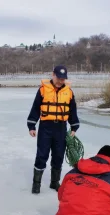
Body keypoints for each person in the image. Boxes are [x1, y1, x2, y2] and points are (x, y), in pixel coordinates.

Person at [27, 65, 80, 194]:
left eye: (63, 79)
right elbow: (35, 108)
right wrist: (32, 126)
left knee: (58, 156)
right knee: (42, 155)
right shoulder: (43, 90)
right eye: (59, 78)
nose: (60, 81)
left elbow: (73, 111)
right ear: (53, 75)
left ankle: (54, 182)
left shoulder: (69, 92)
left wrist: (74, 126)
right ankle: (36, 184)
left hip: (61, 128)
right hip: (46, 127)